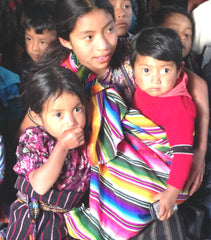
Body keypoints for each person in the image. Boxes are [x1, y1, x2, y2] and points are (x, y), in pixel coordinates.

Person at [18, 0, 208, 239]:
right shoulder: (62, 78)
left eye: (109, 29)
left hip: (159, 160)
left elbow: (196, 84)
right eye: (88, 37)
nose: (104, 45)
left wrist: (199, 151)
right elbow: (28, 130)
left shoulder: (134, 50)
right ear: (66, 41)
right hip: (104, 180)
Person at [6, 65, 91, 240]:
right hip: (33, 220)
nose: (71, 121)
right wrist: (62, 146)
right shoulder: (34, 139)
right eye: (58, 114)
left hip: (69, 222)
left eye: (77, 109)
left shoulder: (88, 141)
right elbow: (40, 185)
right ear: (38, 117)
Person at [132, 26, 196, 221]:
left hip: (171, 177)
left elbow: (183, 155)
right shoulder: (144, 87)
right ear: (132, 67)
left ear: (179, 70)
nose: (155, 80)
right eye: (146, 70)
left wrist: (171, 194)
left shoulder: (178, 109)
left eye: (165, 70)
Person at [148, 4, 209, 197]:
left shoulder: (196, 78)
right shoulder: (144, 70)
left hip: (186, 148)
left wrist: (200, 153)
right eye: (175, 31)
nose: (182, 38)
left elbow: (203, 120)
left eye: (188, 34)